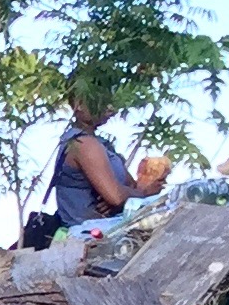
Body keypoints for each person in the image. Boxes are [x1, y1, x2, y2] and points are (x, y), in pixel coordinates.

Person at [30, 95, 175, 248]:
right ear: (79, 104)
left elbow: (128, 188)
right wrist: (142, 193)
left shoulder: (103, 144)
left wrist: (121, 197)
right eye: (101, 100)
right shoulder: (82, 143)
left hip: (108, 229)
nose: (110, 108)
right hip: (87, 237)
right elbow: (116, 196)